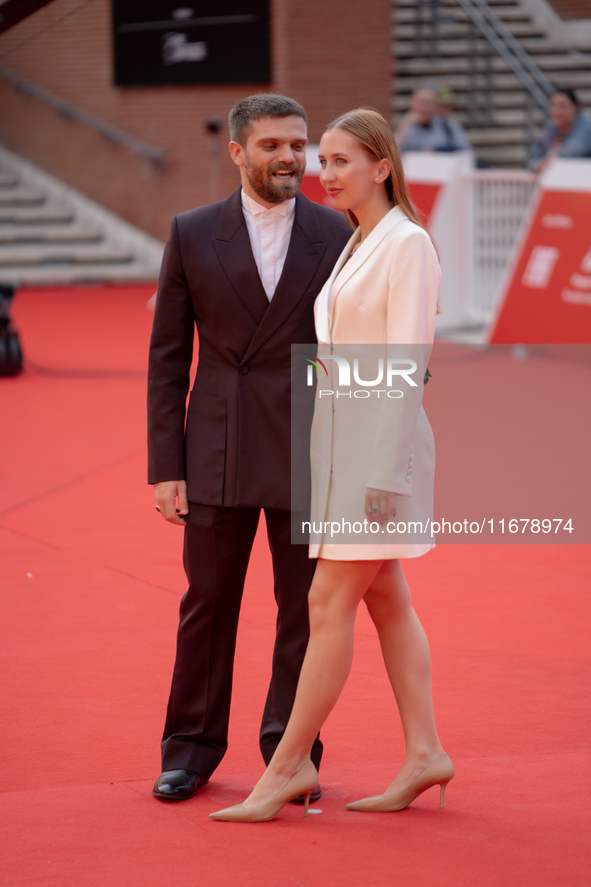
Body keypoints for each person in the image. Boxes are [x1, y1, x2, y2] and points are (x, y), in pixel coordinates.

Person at [210, 108, 453, 822]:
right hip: (344, 450)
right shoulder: (360, 241)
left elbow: (406, 366)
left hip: (378, 457)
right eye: (326, 159)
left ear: (382, 166)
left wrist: (382, 476)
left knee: (324, 604)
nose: (326, 171)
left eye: (343, 159)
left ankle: (286, 765)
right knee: (387, 600)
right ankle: (424, 753)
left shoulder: (405, 244)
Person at [147, 94, 351, 802]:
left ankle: (288, 750)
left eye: (298, 145)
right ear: (237, 152)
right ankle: (190, 748)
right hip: (216, 449)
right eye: (271, 146)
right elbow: (168, 358)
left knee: (304, 608)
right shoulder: (193, 232)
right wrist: (165, 466)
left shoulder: (338, 232)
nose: (290, 158)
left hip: (308, 447)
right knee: (208, 602)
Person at [528, 88, 591, 172]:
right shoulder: (550, 126)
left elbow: (574, 151)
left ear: (576, 106)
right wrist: (538, 165)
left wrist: (551, 161)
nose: (557, 111)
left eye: (562, 106)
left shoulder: (587, 125)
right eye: (553, 105)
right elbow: (534, 159)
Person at [396, 85, 472, 153]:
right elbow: (393, 154)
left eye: (429, 103)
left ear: (436, 105)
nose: (425, 107)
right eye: (421, 102)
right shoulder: (404, 127)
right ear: (411, 103)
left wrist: (437, 151)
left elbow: (466, 152)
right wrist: (405, 125)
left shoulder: (449, 127)